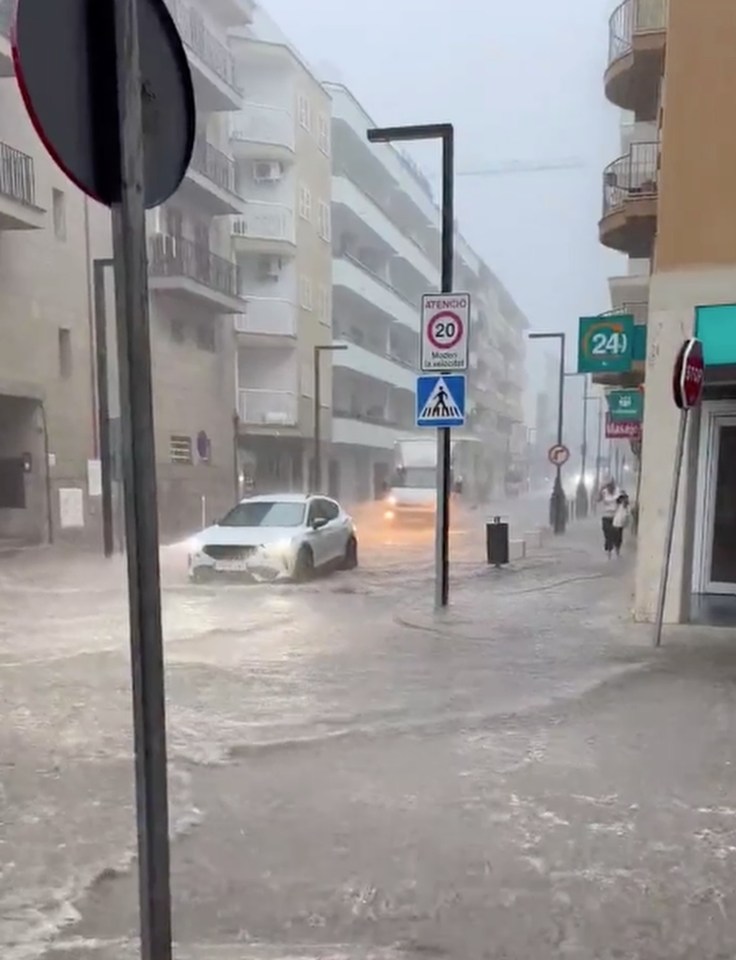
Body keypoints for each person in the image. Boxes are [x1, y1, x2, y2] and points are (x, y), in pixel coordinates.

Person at [598, 479, 621, 556]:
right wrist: (600, 490)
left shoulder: (618, 491)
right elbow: (598, 499)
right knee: (607, 533)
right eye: (609, 486)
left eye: (612, 486)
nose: (610, 488)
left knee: (617, 534)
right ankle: (609, 551)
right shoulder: (604, 492)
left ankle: (617, 549)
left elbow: (621, 500)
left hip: (616, 516)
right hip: (606, 515)